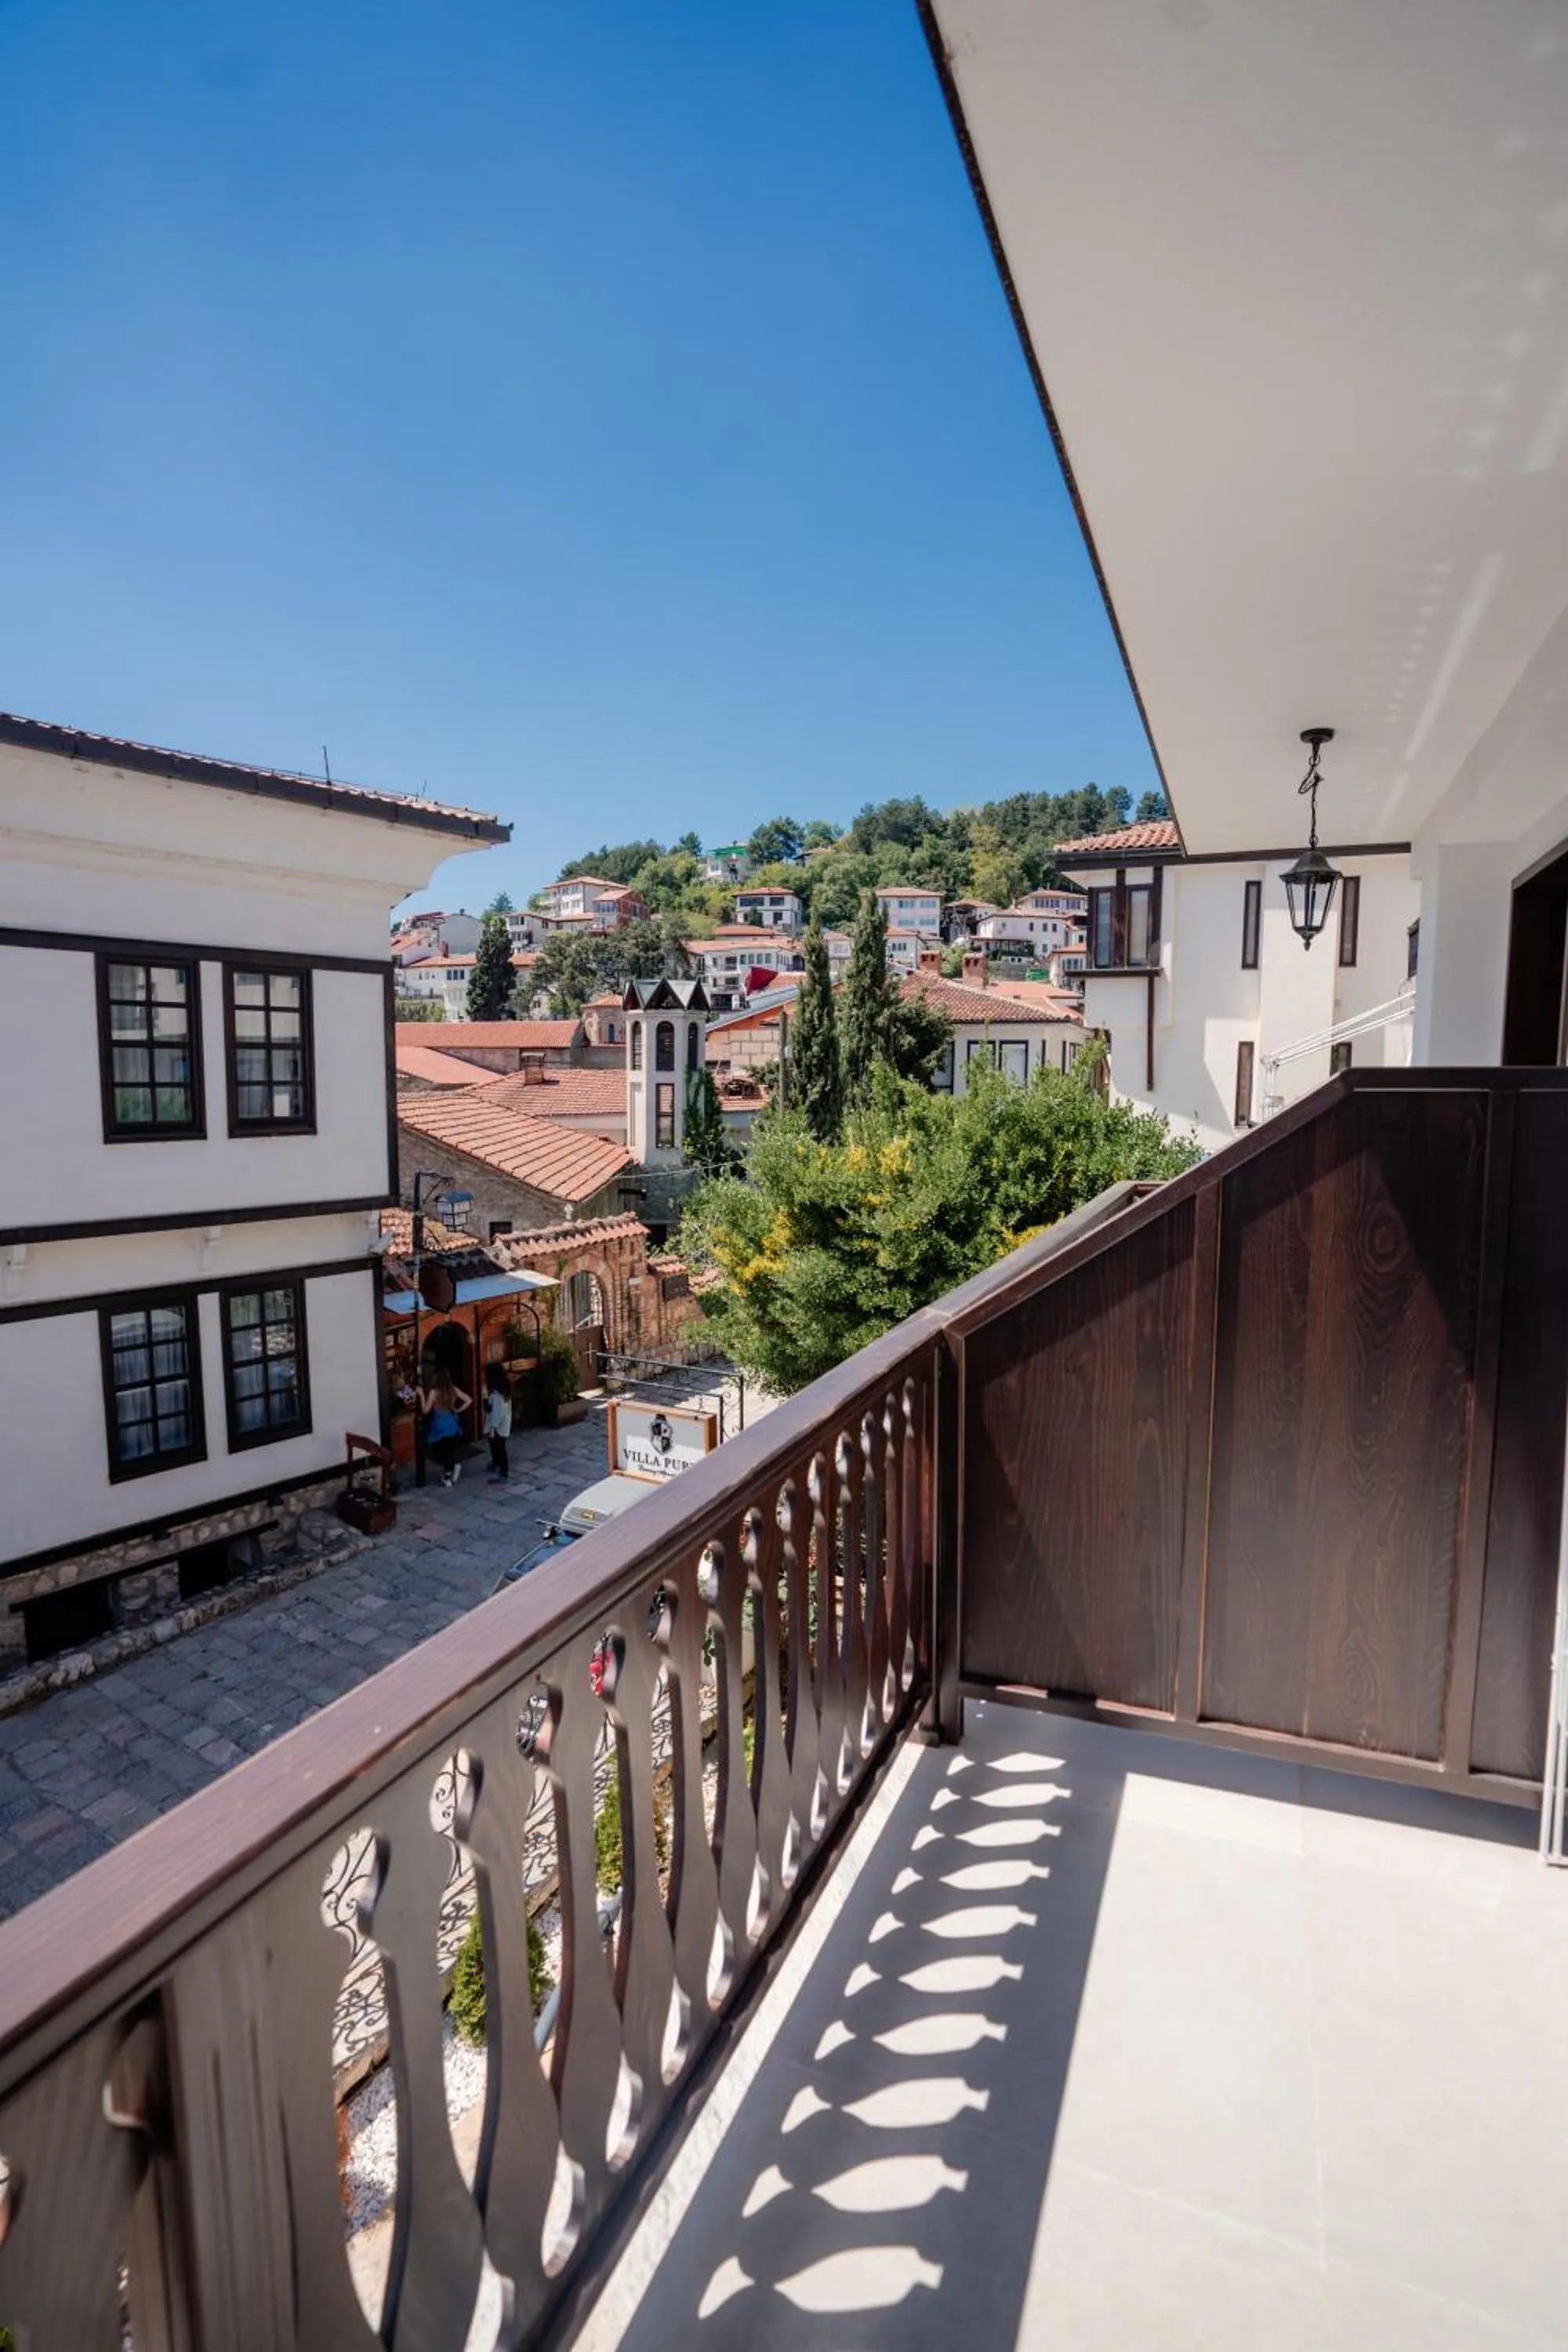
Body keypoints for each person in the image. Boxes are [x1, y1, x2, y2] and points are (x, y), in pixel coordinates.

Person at [418, 1368, 471, 1486]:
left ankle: (448, 1476)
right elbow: (469, 1400)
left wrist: (421, 1395)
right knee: (449, 1451)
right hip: (453, 1425)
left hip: (440, 1426)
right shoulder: (453, 1389)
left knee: (438, 1452)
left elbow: (425, 1411)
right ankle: (450, 1472)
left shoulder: (434, 1392)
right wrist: (458, 1410)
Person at [483, 1363, 513, 1485]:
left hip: (498, 1427)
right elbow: (489, 1408)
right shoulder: (503, 1390)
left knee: (500, 1448)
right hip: (501, 1425)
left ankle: (503, 1473)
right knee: (496, 1446)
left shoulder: (497, 1395)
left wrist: (493, 1429)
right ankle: (496, 1464)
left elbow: (497, 1413)